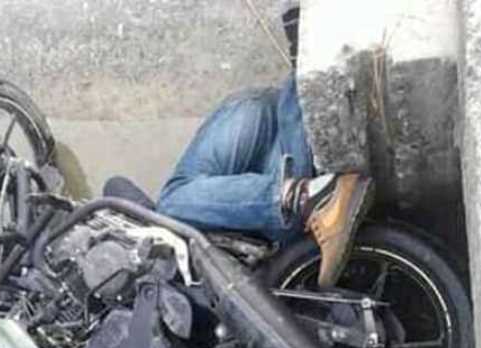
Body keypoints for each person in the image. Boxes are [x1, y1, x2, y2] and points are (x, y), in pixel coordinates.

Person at [156, 3, 373, 287]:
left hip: (264, 129)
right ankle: (308, 46)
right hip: (265, 119)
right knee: (177, 201)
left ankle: (308, 196)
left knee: (172, 203)